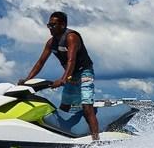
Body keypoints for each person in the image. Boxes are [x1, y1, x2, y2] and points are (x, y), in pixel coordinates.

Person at [18, 11, 99, 141]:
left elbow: (71, 60)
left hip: (85, 72)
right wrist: (27, 79)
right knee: (64, 107)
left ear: (63, 25)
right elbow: (40, 63)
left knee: (86, 107)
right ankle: (62, 138)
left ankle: (96, 140)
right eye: (49, 25)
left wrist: (63, 79)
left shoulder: (71, 37)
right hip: (71, 75)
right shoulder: (51, 43)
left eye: (53, 25)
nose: (50, 28)